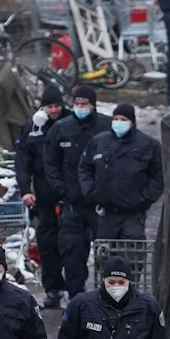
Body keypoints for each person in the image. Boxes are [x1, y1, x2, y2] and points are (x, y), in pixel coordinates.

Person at [42, 85, 111, 295]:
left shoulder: (106, 126)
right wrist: (61, 189)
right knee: (72, 253)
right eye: (77, 104)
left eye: (85, 104)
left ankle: (106, 295)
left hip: (101, 205)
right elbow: (50, 162)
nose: (80, 107)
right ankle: (75, 298)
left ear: (93, 105)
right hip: (72, 204)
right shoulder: (61, 129)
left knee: (106, 254)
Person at [15, 84, 68, 307]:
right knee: (47, 244)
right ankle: (53, 289)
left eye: (57, 106)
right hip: (44, 198)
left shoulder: (71, 126)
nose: (54, 110)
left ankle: (74, 288)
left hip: (70, 197)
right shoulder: (32, 129)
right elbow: (23, 162)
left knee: (72, 245)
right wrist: (26, 190)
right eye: (50, 106)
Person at [76, 103, 162, 242]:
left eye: (123, 120)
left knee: (132, 254)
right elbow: (85, 167)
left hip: (133, 213)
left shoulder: (148, 145)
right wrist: (91, 192)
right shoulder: (99, 141)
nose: (119, 123)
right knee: (104, 255)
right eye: (116, 119)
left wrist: (144, 199)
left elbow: (159, 175)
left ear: (132, 122)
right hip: (105, 213)